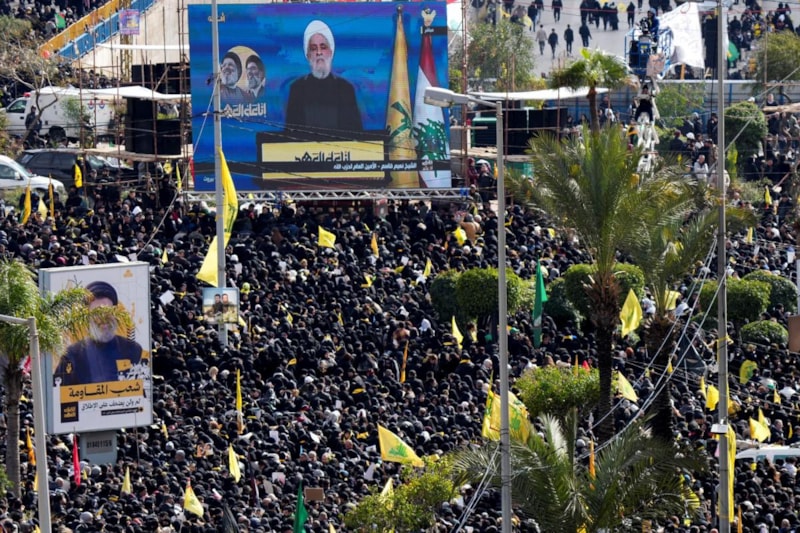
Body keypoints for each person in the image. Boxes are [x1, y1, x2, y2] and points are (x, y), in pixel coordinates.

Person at [53, 281, 146, 386]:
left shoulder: (133, 350)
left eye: (108, 312)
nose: (103, 318)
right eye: (97, 313)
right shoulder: (71, 356)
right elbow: (58, 392)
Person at [285, 20, 363, 134]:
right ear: (308, 55)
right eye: (313, 48)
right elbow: (290, 134)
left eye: (323, 47)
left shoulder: (346, 89)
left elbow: (356, 134)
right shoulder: (297, 89)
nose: (319, 52)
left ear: (330, 52)